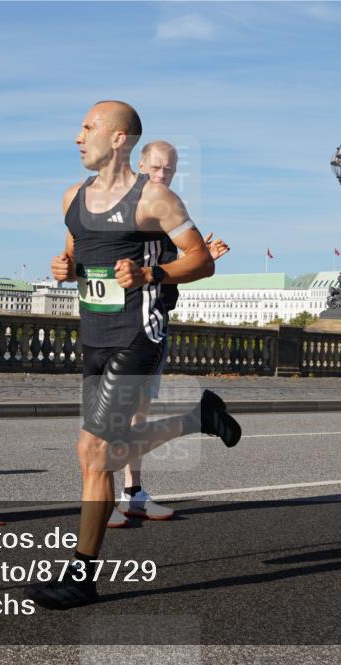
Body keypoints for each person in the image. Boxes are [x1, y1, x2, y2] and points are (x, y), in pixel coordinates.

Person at [25, 101, 242, 610]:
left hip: (137, 337)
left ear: (118, 138)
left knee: (95, 454)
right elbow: (79, 255)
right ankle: (198, 418)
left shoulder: (155, 199)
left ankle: (81, 575)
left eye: (88, 127)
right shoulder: (71, 199)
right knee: (95, 455)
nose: (79, 137)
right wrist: (65, 267)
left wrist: (153, 275)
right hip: (94, 338)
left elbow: (201, 260)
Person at [108, 140, 230, 528]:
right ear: (140, 164)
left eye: (169, 171)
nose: (162, 176)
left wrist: (197, 256)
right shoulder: (128, 207)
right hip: (121, 324)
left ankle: (133, 493)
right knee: (111, 416)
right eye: (156, 168)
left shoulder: (167, 210)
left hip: (155, 322)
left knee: (138, 414)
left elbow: (164, 268)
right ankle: (103, 497)